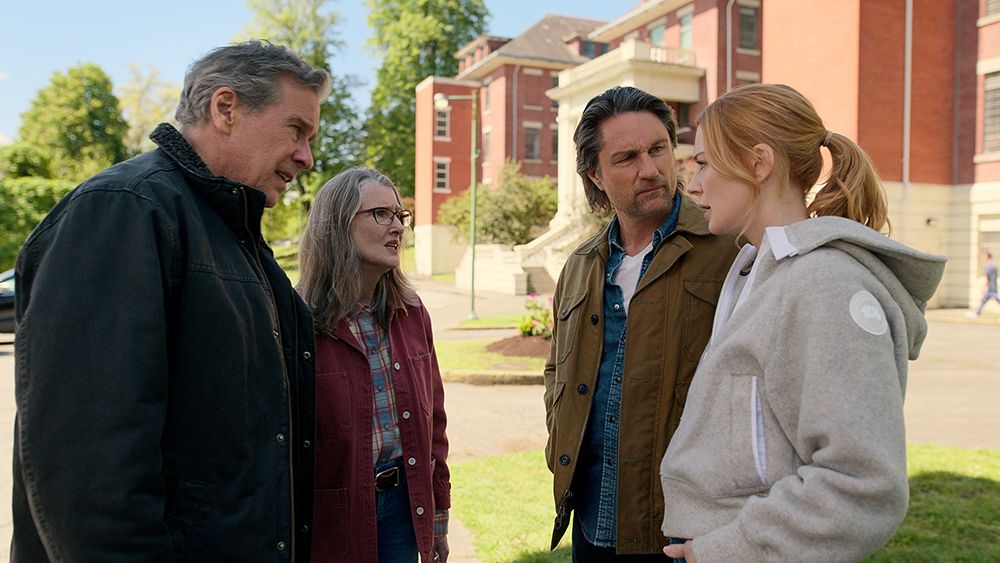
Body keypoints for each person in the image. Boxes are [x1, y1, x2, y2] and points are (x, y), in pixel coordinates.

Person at [12, 40, 329, 561]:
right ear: (225, 108)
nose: (306, 157)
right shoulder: (124, 211)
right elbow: (89, 472)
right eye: (296, 129)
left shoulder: (234, 235)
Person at [660, 84, 947, 562]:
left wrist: (729, 550)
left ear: (758, 163)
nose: (691, 185)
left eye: (705, 163)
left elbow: (861, 485)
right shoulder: (755, 272)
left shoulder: (824, 283)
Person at [543, 86, 738, 560]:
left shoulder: (731, 251)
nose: (650, 169)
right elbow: (556, 374)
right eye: (627, 157)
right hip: (590, 521)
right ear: (595, 173)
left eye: (658, 149)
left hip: (684, 532)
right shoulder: (580, 266)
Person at [298, 167, 450, 563]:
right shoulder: (296, 319)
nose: (397, 227)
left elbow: (434, 422)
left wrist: (438, 513)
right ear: (337, 226)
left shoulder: (412, 312)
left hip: (404, 507)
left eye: (400, 215)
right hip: (331, 519)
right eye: (381, 214)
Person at [973, 251, 998, 317]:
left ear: (988, 257)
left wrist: (983, 287)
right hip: (993, 286)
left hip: (990, 288)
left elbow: (987, 277)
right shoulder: (994, 266)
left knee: (985, 300)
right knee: (984, 300)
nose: (983, 257)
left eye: (984, 256)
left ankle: (977, 313)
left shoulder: (988, 266)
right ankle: (977, 313)